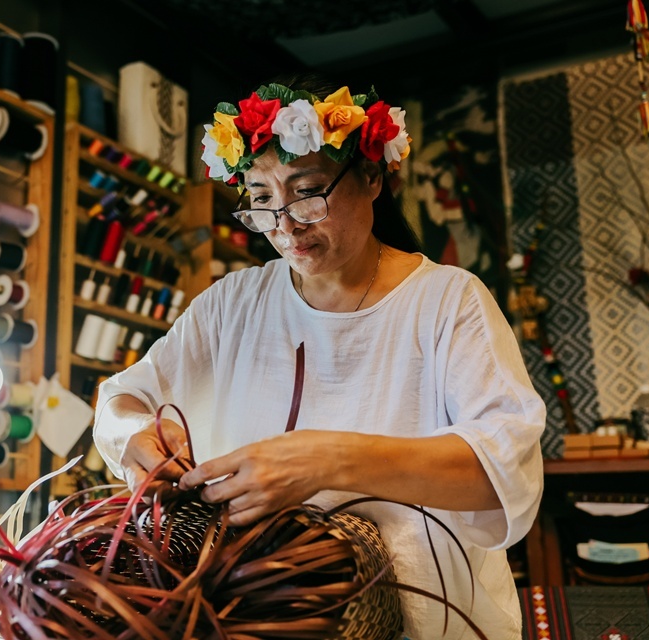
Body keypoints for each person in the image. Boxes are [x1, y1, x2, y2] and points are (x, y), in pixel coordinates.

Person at [92, 75, 545, 640]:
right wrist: (138, 435)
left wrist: (327, 461)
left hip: (425, 617)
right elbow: (119, 399)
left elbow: (502, 473)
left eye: (308, 191)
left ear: (373, 176)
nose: (285, 225)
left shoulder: (447, 301)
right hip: (263, 615)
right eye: (261, 200)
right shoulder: (232, 304)